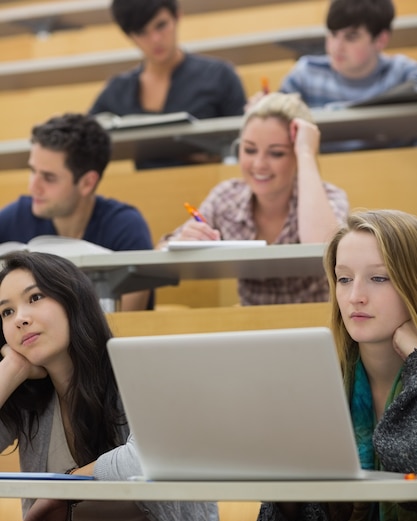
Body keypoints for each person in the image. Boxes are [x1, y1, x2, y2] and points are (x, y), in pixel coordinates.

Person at [0, 251, 230, 521]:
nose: (20, 319)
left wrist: (65, 488)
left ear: (73, 301)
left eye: (36, 297)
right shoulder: (29, 401)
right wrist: (11, 369)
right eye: (6, 312)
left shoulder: (143, 372)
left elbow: (150, 458)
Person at [254, 209, 417, 521]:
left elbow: (407, 456)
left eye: (379, 278)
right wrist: (287, 492)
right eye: (344, 279)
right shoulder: (318, 388)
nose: (355, 296)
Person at [158, 92, 349, 306]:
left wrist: (306, 152)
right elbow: (161, 251)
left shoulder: (330, 197)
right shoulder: (227, 197)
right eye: (249, 150)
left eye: (276, 153)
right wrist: (181, 240)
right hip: (252, 325)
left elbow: (320, 247)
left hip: (317, 325)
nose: (259, 164)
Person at [0, 113, 153, 311]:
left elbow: (124, 324)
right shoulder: (14, 218)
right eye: (32, 171)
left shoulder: (126, 227)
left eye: (48, 177)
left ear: (87, 183)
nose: (33, 187)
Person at [88, 0, 246, 168]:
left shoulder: (219, 76)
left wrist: (216, 154)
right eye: (142, 32)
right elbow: (82, 142)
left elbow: (247, 142)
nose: (155, 39)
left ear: (177, 15)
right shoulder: (117, 91)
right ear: (130, 36)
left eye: (161, 25)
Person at [279, 0, 417, 150]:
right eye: (332, 34)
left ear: (381, 40)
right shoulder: (304, 75)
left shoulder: (404, 73)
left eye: (351, 37)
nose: (337, 47)